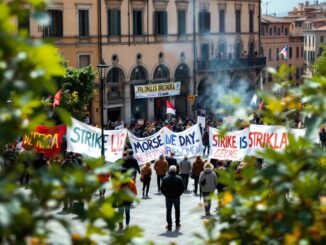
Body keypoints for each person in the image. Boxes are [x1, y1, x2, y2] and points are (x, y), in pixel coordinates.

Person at [161, 165, 185, 231]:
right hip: (176, 197)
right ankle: (177, 223)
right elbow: (183, 188)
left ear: (169, 170)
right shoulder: (179, 178)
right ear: (175, 170)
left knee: (168, 211)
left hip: (168, 197)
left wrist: (165, 194)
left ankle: (169, 225)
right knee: (177, 210)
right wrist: (179, 194)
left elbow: (162, 188)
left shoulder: (165, 178)